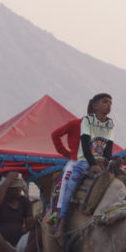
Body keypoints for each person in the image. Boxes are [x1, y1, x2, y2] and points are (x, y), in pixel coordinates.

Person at [53, 93, 115, 236]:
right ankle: (60, 220)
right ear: (94, 106)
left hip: (99, 161)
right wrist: (67, 154)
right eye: (105, 102)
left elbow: (108, 147)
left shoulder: (108, 124)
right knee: (68, 184)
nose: (109, 105)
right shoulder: (77, 123)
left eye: (110, 103)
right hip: (78, 161)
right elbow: (55, 135)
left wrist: (105, 161)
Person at [50, 114, 83, 225]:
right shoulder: (75, 124)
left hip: (93, 163)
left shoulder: (102, 127)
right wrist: (66, 153)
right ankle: (58, 218)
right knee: (65, 183)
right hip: (75, 162)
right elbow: (55, 135)